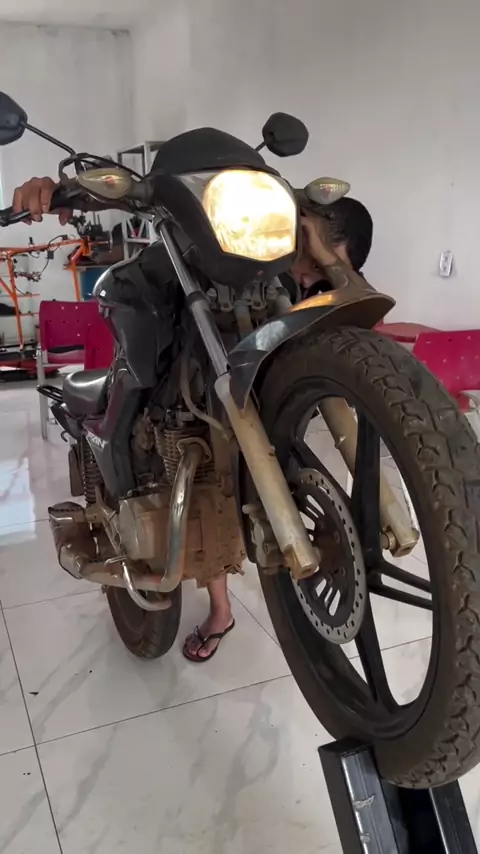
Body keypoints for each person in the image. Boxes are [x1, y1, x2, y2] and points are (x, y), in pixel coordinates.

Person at [11, 176, 374, 661]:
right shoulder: (226, 255)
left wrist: (325, 261)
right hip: (184, 399)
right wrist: (62, 187)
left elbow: (350, 308)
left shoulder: (292, 289)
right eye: (311, 260)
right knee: (189, 453)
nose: (309, 279)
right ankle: (125, 489)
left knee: (217, 475)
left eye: (320, 270)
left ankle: (219, 611)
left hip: (234, 424)